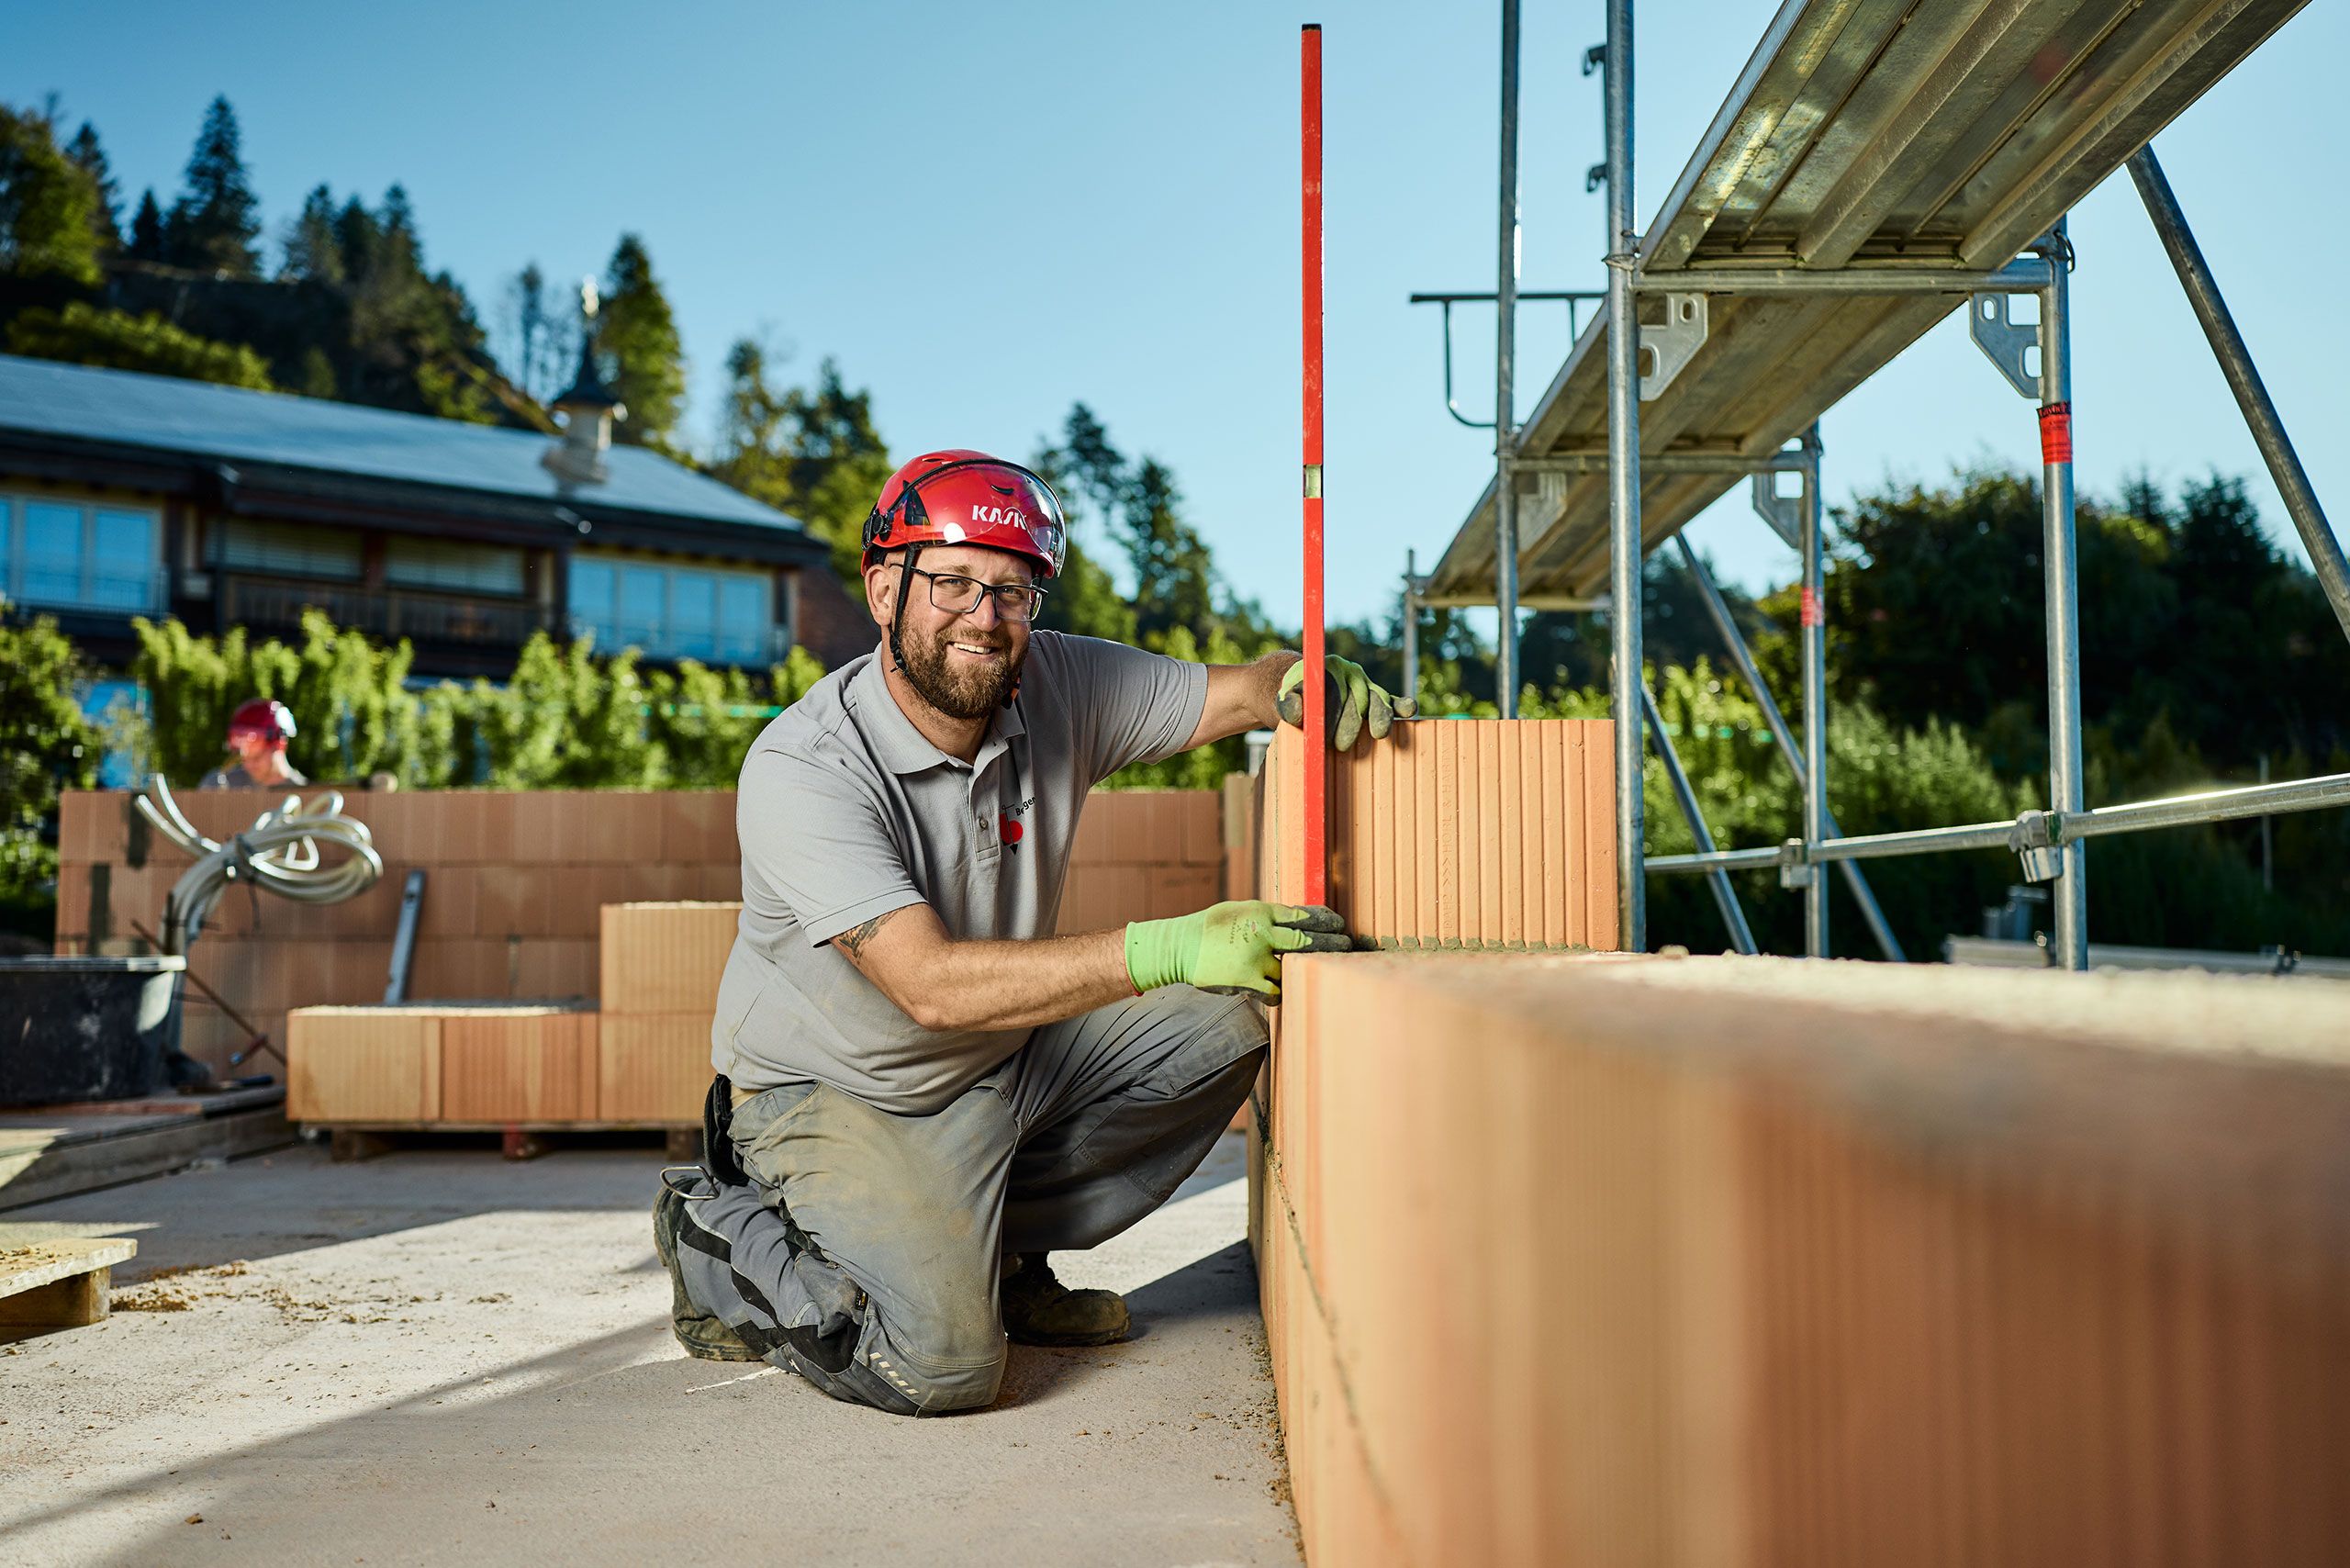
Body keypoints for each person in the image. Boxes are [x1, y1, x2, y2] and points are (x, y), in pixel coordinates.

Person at [655, 448, 1410, 1416]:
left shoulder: (1055, 681)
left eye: (1013, 591)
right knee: (938, 1365)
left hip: (999, 1063)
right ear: (884, 588)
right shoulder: (806, 766)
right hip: (838, 1094)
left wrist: (1293, 680)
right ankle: (721, 1236)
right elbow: (926, 985)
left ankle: (997, 1253)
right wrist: (1165, 945)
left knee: (1231, 1017)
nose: (984, 617)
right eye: (954, 582)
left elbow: (1236, 690)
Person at [198, 700, 307, 790]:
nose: (248, 765)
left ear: (280, 745)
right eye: (243, 758)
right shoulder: (218, 783)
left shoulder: (306, 796)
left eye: (256, 758)